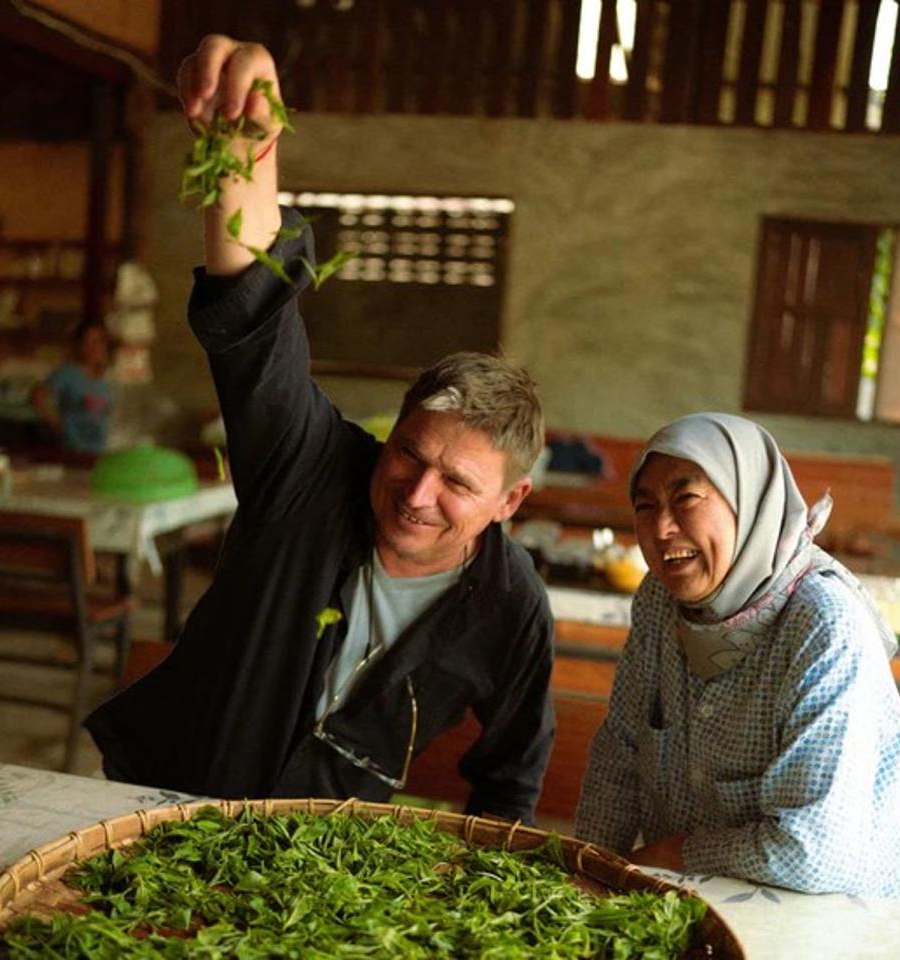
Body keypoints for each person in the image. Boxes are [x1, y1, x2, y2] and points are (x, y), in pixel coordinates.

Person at [85, 36, 555, 821]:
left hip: (317, 857)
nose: (416, 493)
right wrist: (245, 151)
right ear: (393, 430)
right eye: (410, 453)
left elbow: (510, 780)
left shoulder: (510, 609)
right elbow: (256, 321)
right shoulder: (308, 467)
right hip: (159, 803)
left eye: (459, 484)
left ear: (511, 502)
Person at [575, 412, 900, 902]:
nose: (661, 527)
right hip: (706, 901)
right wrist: (584, 873)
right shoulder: (659, 601)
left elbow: (811, 852)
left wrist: (675, 855)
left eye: (686, 498)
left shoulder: (822, 625)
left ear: (751, 501)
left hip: (842, 918)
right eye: (644, 505)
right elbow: (621, 749)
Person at [31, 319, 114, 454]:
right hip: (73, 449)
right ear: (80, 345)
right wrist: (58, 425)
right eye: (89, 342)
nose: (94, 347)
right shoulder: (67, 373)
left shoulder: (106, 379)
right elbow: (37, 397)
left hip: (100, 450)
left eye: (99, 342)